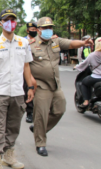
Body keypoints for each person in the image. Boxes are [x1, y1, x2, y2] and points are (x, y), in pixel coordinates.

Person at [28, 17, 94, 156]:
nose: (48, 30)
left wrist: (84, 42)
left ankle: (40, 129)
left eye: (50, 27)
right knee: (41, 114)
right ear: (39, 30)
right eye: (45, 28)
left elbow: (71, 44)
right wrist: (30, 82)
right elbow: (24, 65)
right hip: (41, 85)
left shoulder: (56, 41)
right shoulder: (31, 45)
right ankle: (40, 143)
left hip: (55, 84)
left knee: (60, 109)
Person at [0, 9, 34, 169]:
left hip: (18, 93)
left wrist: (30, 86)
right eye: (6, 20)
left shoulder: (23, 43)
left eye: (12, 20)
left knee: (13, 127)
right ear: (0, 23)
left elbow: (26, 67)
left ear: (16, 23)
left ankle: (9, 156)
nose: (10, 23)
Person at [76, 37, 101, 108]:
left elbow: (83, 64)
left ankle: (86, 101)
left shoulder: (92, 55)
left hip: (95, 77)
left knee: (84, 83)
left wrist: (76, 67)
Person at [24, 22, 38, 123]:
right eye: (31, 29)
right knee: (29, 88)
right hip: (27, 67)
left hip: (38, 67)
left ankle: (38, 111)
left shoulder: (39, 40)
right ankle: (29, 112)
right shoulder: (23, 41)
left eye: (35, 29)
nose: (33, 31)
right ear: (27, 30)